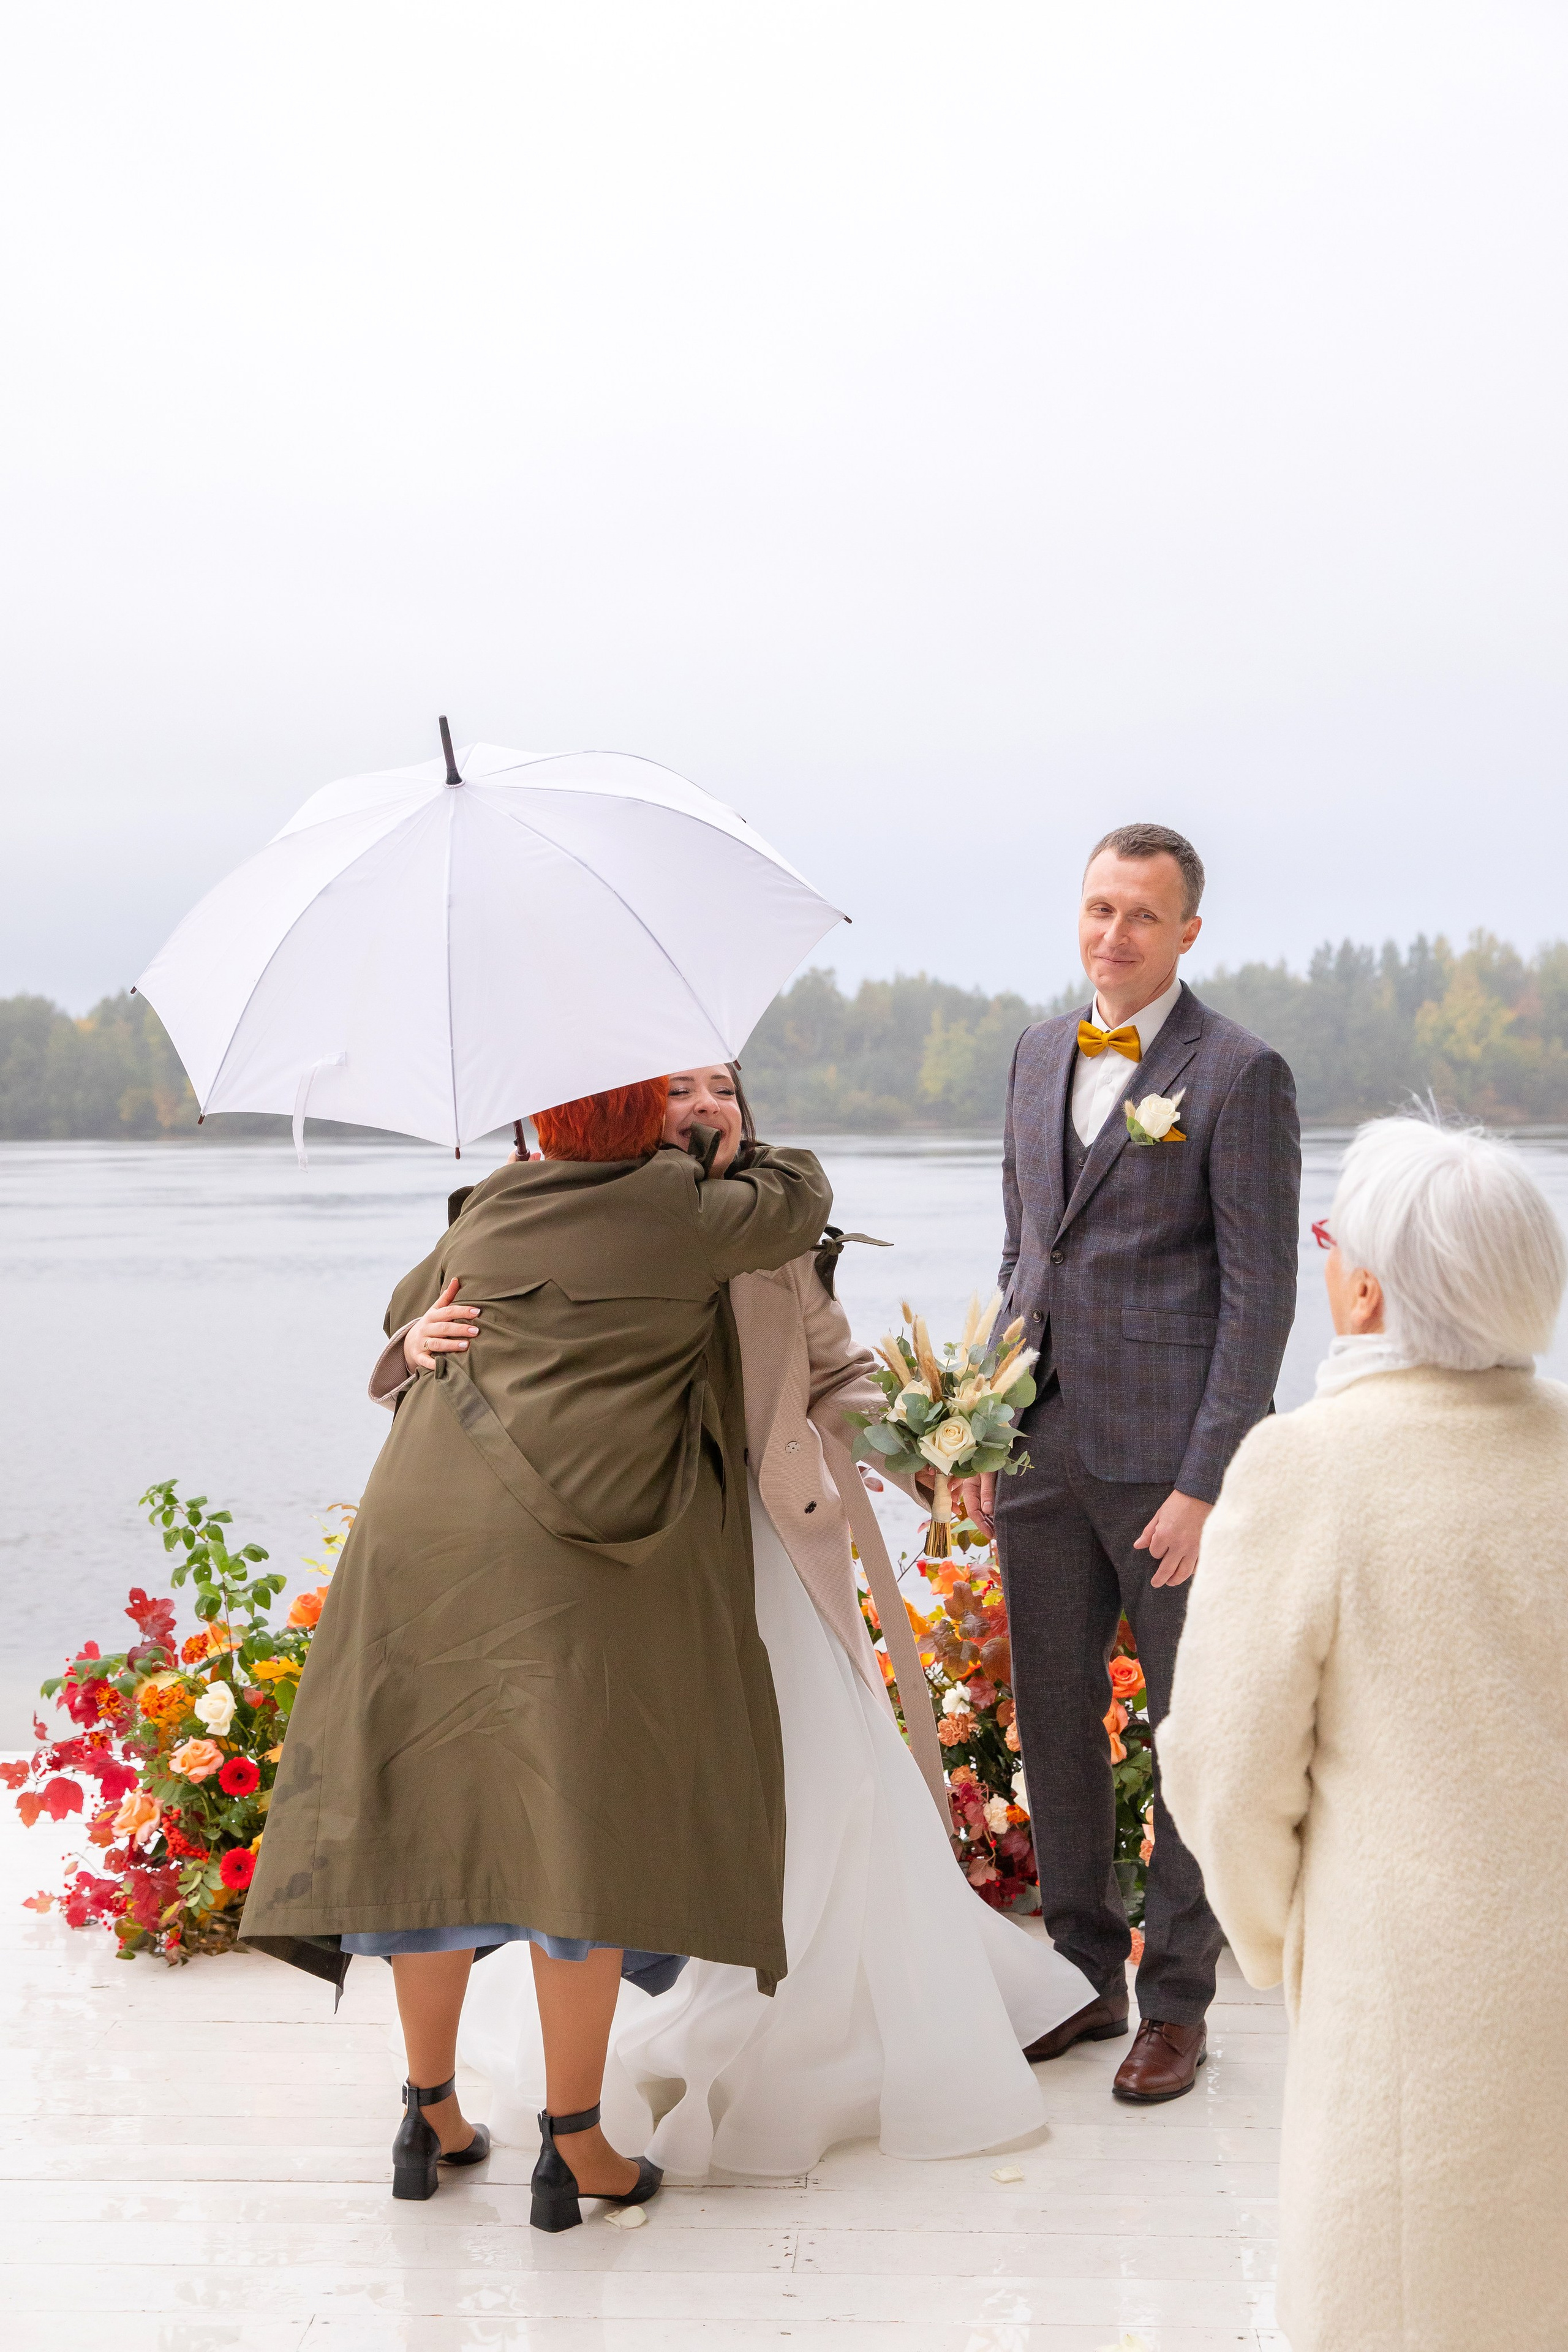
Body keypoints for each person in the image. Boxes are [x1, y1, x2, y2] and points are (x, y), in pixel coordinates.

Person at [385, 1065, 1096, 2173]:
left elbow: (835, 1371)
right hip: (627, 1566)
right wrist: (411, 1344)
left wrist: (935, 1457)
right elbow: (415, 1331)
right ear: (624, 1108)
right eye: (678, 1089)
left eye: (722, 1085)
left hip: (761, 1549)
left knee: (827, 1791)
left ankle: (819, 2033)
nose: (705, 1104)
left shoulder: (767, 1227)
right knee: (616, 1808)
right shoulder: (541, 1199)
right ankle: (598, 2085)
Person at [242, 1077, 831, 2226]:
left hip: (418, 1540)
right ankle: (576, 2150)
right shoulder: (685, 1207)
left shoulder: (495, 1204)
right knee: (579, 1839)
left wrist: (422, 1327)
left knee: (438, 1830)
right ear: (645, 1121)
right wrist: (719, 1151)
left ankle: (431, 2115)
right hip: (566, 1565)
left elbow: (411, 1313)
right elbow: (801, 1195)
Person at [1158, 1116, 1568, 2352]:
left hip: (1405, 1992)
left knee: (1398, 2301)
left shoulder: (1307, 1466)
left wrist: (1282, 1941)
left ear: (1366, 1285)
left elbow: (1222, 1769)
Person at [963, 822, 1300, 2101]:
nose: (1113, 935)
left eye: (1141, 917)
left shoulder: (1238, 1072)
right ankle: (1080, 1980)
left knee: (1188, 1739)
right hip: (1038, 1458)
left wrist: (1207, 1485)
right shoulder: (1035, 1051)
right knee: (1052, 1727)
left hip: (1171, 1476)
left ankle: (1176, 2004)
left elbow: (1258, 1299)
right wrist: (982, 1421)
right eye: (1098, 909)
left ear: (1187, 933)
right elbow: (1021, 1260)